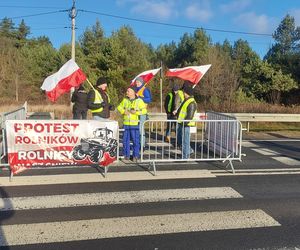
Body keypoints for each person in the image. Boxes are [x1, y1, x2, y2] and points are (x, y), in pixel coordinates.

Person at [117, 87, 147, 162]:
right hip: (126, 124)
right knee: (125, 141)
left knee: (135, 141)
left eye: (128, 91)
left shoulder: (139, 101)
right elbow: (119, 107)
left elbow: (144, 111)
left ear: (133, 92)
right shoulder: (125, 100)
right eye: (127, 91)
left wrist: (136, 112)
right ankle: (126, 155)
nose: (127, 92)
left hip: (134, 124)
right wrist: (123, 111)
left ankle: (135, 156)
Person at [176, 81, 197, 159]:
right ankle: (189, 152)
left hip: (186, 124)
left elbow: (189, 116)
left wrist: (184, 123)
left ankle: (185, 156)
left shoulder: (191, 102)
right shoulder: (187, 100)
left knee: (185, 141)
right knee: (184, 140)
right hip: (183, 123)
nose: (183, 94)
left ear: (187, 93)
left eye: (184, 92)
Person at [134, 77, 152, 147]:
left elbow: (148, 99)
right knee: (136, 129)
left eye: (138, 82)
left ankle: (142, 145)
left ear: (142, 83)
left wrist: (140, 98)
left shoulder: (145, 90)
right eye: (136, 82)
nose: (137, 83)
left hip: (142, 112)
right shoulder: (135, 90)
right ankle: (137, 144)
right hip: (135, 112)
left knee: (141, 129)